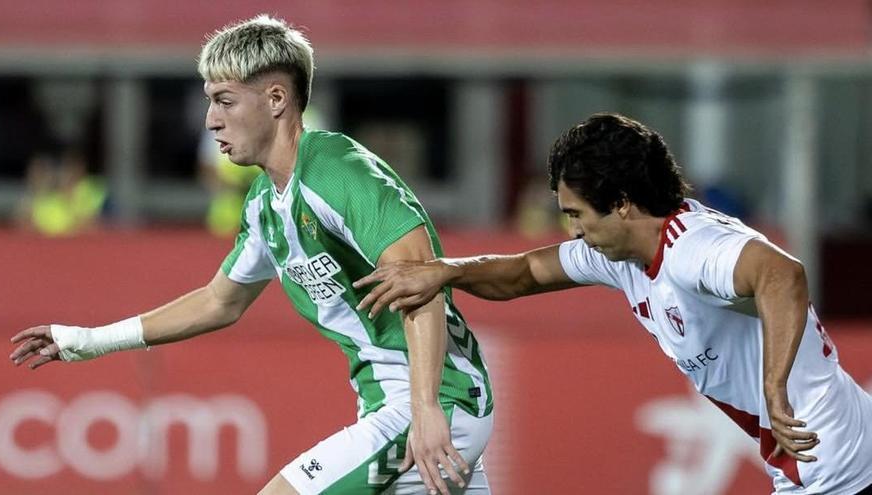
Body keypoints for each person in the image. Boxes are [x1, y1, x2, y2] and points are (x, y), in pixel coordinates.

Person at [9, 15, 494, 495]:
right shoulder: (265, 204)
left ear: (276, 99)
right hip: (403, 404)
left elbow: (420, 281)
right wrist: (89, 341)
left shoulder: (338, 172)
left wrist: (427, 408)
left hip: (432, 403)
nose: (210, 120)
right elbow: (219, 302)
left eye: (224, 101)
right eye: (209, 102)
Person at [354, 113, 872, 494]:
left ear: (622, 203)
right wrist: (446, 271)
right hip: (827, 454)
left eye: (577, 214)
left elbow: (783, 275)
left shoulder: (691, 248)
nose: (574, 230)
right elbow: (525, 272)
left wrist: (774, 389)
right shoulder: (619, 254)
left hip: (829, 463)